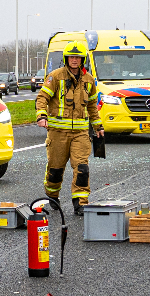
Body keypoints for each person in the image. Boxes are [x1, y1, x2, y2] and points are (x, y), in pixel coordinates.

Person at [35, 38, 102, 213]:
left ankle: (80, 202)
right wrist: (41, 115)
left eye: (78, 57)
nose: (74, 60)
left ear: (82, 60)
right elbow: (42, 98)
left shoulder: (89, 80)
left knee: (82, 167)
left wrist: (98, 127)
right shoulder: (55, 77)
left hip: (80, 133)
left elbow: (92, 106)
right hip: (58, 133)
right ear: (66, 59)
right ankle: (52, 196)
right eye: (71, 57)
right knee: (55, 169)